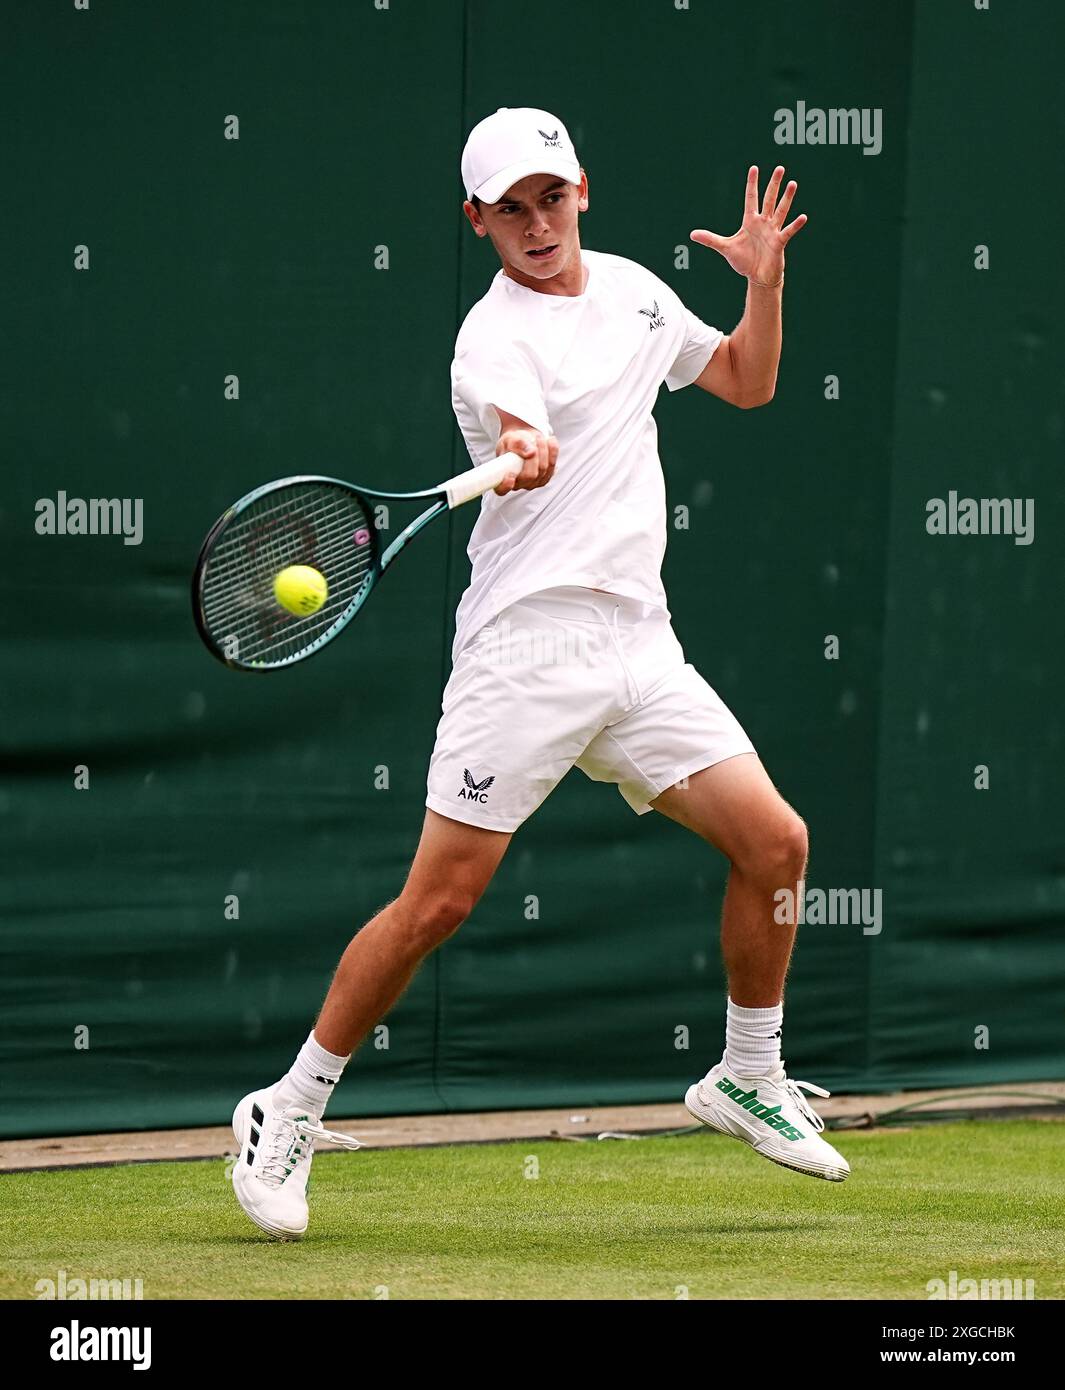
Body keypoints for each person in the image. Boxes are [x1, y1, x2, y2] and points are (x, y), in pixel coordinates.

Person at [230, 105, 847, 1242]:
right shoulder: (489, 339)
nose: (536, 224)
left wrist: (763, 284)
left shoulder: (636, 295)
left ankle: (747, 1073)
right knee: (438, 905)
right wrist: (521, 446)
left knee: (777, 844)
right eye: (508, 208)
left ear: (582, 192)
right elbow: (519, 423)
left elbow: (750, 385)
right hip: (525, 652)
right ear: (477, 221)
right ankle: (288, 1105)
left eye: (550, 197)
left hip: (639, 644)